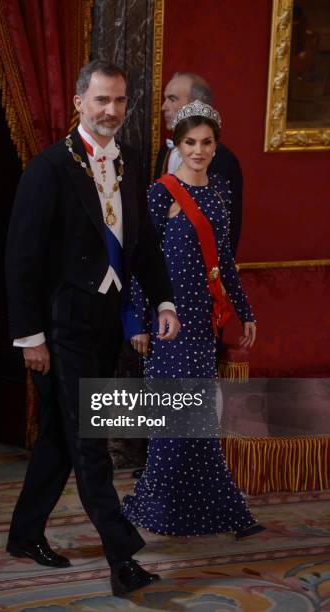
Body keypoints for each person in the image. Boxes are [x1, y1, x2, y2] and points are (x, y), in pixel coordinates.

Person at [5, 60, 180, 596]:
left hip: (104, 325)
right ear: (79, 101)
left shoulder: (125, 162)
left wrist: (165, 300)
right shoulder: (48, 168)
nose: (111, 111)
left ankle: (23, 532)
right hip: (62, 328)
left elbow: (143, 245)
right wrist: (30, 337)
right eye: (102, 100)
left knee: (61, 433)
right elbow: (22, 260)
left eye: (120, 101)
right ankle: (122, 559)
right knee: (89, 442)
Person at [122, 100, 264, 539]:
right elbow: (139, 264)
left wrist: (245, 311)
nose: (198, 151)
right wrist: (138, 323)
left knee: (199, 421)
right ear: (177, 145)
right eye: (190, 142)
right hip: (170, 322)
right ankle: (154, 511)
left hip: (204, 323)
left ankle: (221, 513)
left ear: (216, 145)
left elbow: (224, 261)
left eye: (206, 143)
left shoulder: (218, 194)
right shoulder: (160, 193)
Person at [154, 72, 243, 256]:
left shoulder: (222, 160)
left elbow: (229, 227)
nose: (164, 107)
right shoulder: (165, 152)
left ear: (196, 105)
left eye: (172, 99)